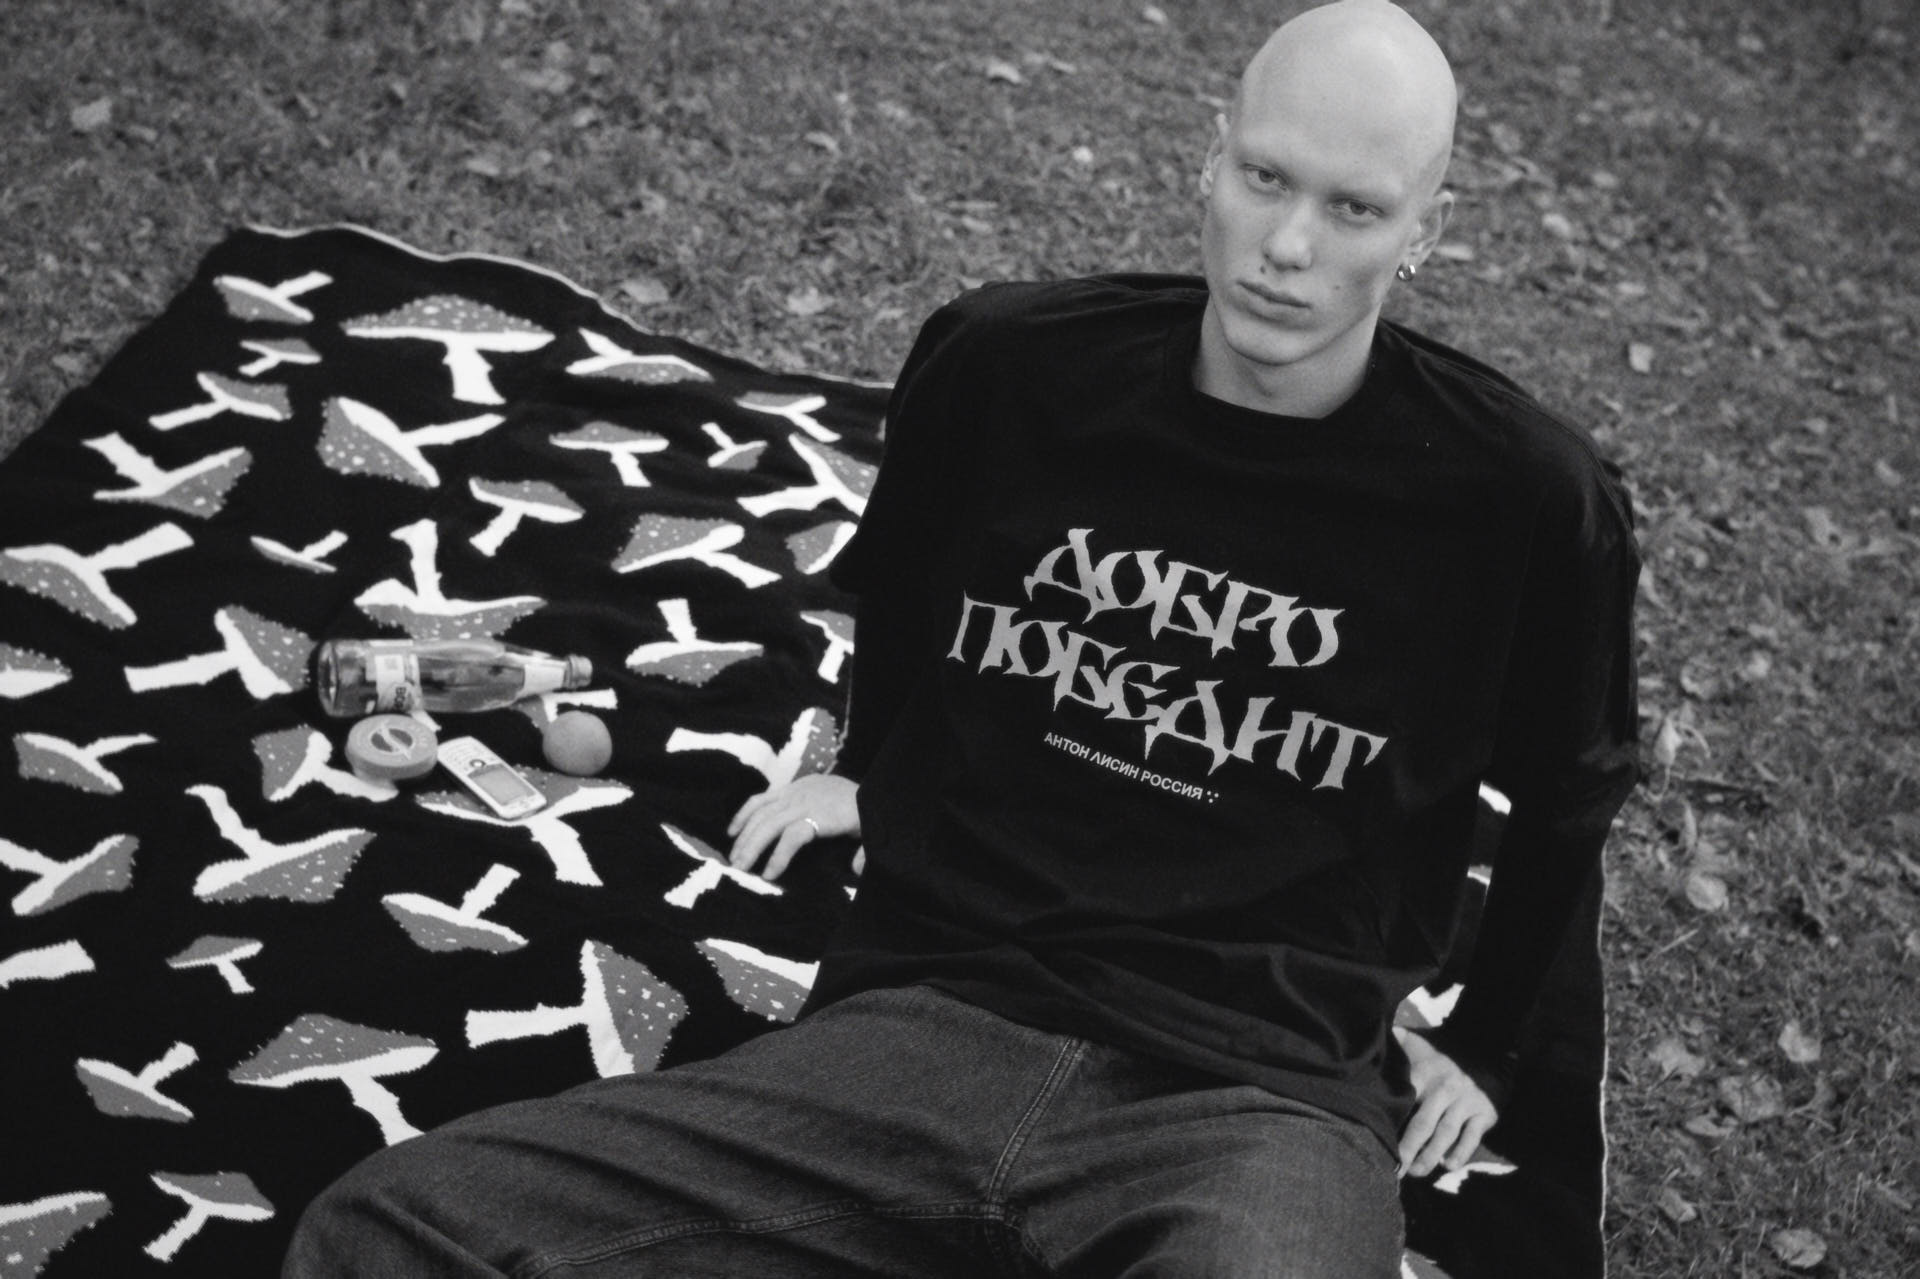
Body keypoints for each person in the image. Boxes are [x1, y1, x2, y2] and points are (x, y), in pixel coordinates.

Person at [283, 2, 1639, 1275]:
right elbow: (908, 589)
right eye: (1267, 178)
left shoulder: (1518, 498)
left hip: (1254, 1101)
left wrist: (1493, 1049)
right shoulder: (1011, 369)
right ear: (1211, 160)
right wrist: (866, 774)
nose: (1289, 246)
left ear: (1425, 231)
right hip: (927, 1032)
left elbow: (1570, 792)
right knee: (390, 1228)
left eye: (1354, 209)